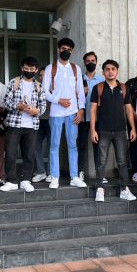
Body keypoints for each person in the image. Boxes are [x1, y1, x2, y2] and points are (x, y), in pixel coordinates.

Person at [90, 59, 137, 203]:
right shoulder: (98, 88)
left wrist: (133, 128)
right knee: (101, 162)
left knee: (122, 162)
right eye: (107, 69)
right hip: (103, 130)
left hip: (120, 131)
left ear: (117, 71)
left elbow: (128, 109)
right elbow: (92, 110)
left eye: (113, 69)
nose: (110, 72)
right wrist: (93, 130)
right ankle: (99, 189)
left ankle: (124, 189)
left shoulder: (123, 88)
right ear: (103, 72)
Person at [43, 38, 86, 189]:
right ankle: (55, 177)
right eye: (63, 49)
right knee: (54, 145)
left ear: (71, 51)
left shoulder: (75, 68)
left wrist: (81, 109)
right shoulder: (50, 68)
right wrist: (58, 100)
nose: (65, 51)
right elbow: (45, 91)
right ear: (58, 49)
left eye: (68, 49)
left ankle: (74, 177)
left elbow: (80, 91)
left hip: (72, 113)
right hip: (56, 113)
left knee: (72, 145)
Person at [0, 57, 46, 192]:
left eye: (32, 69)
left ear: (36, 70)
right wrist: (17, 106)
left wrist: (36, 111)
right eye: (26, 68)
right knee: (10, 153)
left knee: (29, 154)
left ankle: (26, 180)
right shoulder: (14, 82)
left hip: (32, 125)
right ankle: (11, 181)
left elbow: (43, 105)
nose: (29, 71)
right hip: (14, 124)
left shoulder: (39, 86)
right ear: (22, 68)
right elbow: (6, 101)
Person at [77, 51, 104, 181]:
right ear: (84, 63)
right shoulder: (79, 79)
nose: (90, 63)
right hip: (82, 119)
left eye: (93, 61)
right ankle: (80, 172)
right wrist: (81, 93)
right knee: (81, 146)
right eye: (88, 61)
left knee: (98, 147)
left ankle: (100, 174)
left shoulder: (102, 80)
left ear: (96, 62)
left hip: (98, 119)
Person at [33, 67, 51, 183]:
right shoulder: (36, 87)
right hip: (38, 120)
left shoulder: (55, 87)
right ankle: (41, 171)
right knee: (36, 145)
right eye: (40, 75)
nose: (42, 77)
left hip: (52, 120)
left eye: (44, 75)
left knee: (52, 146)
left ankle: (50, 172)